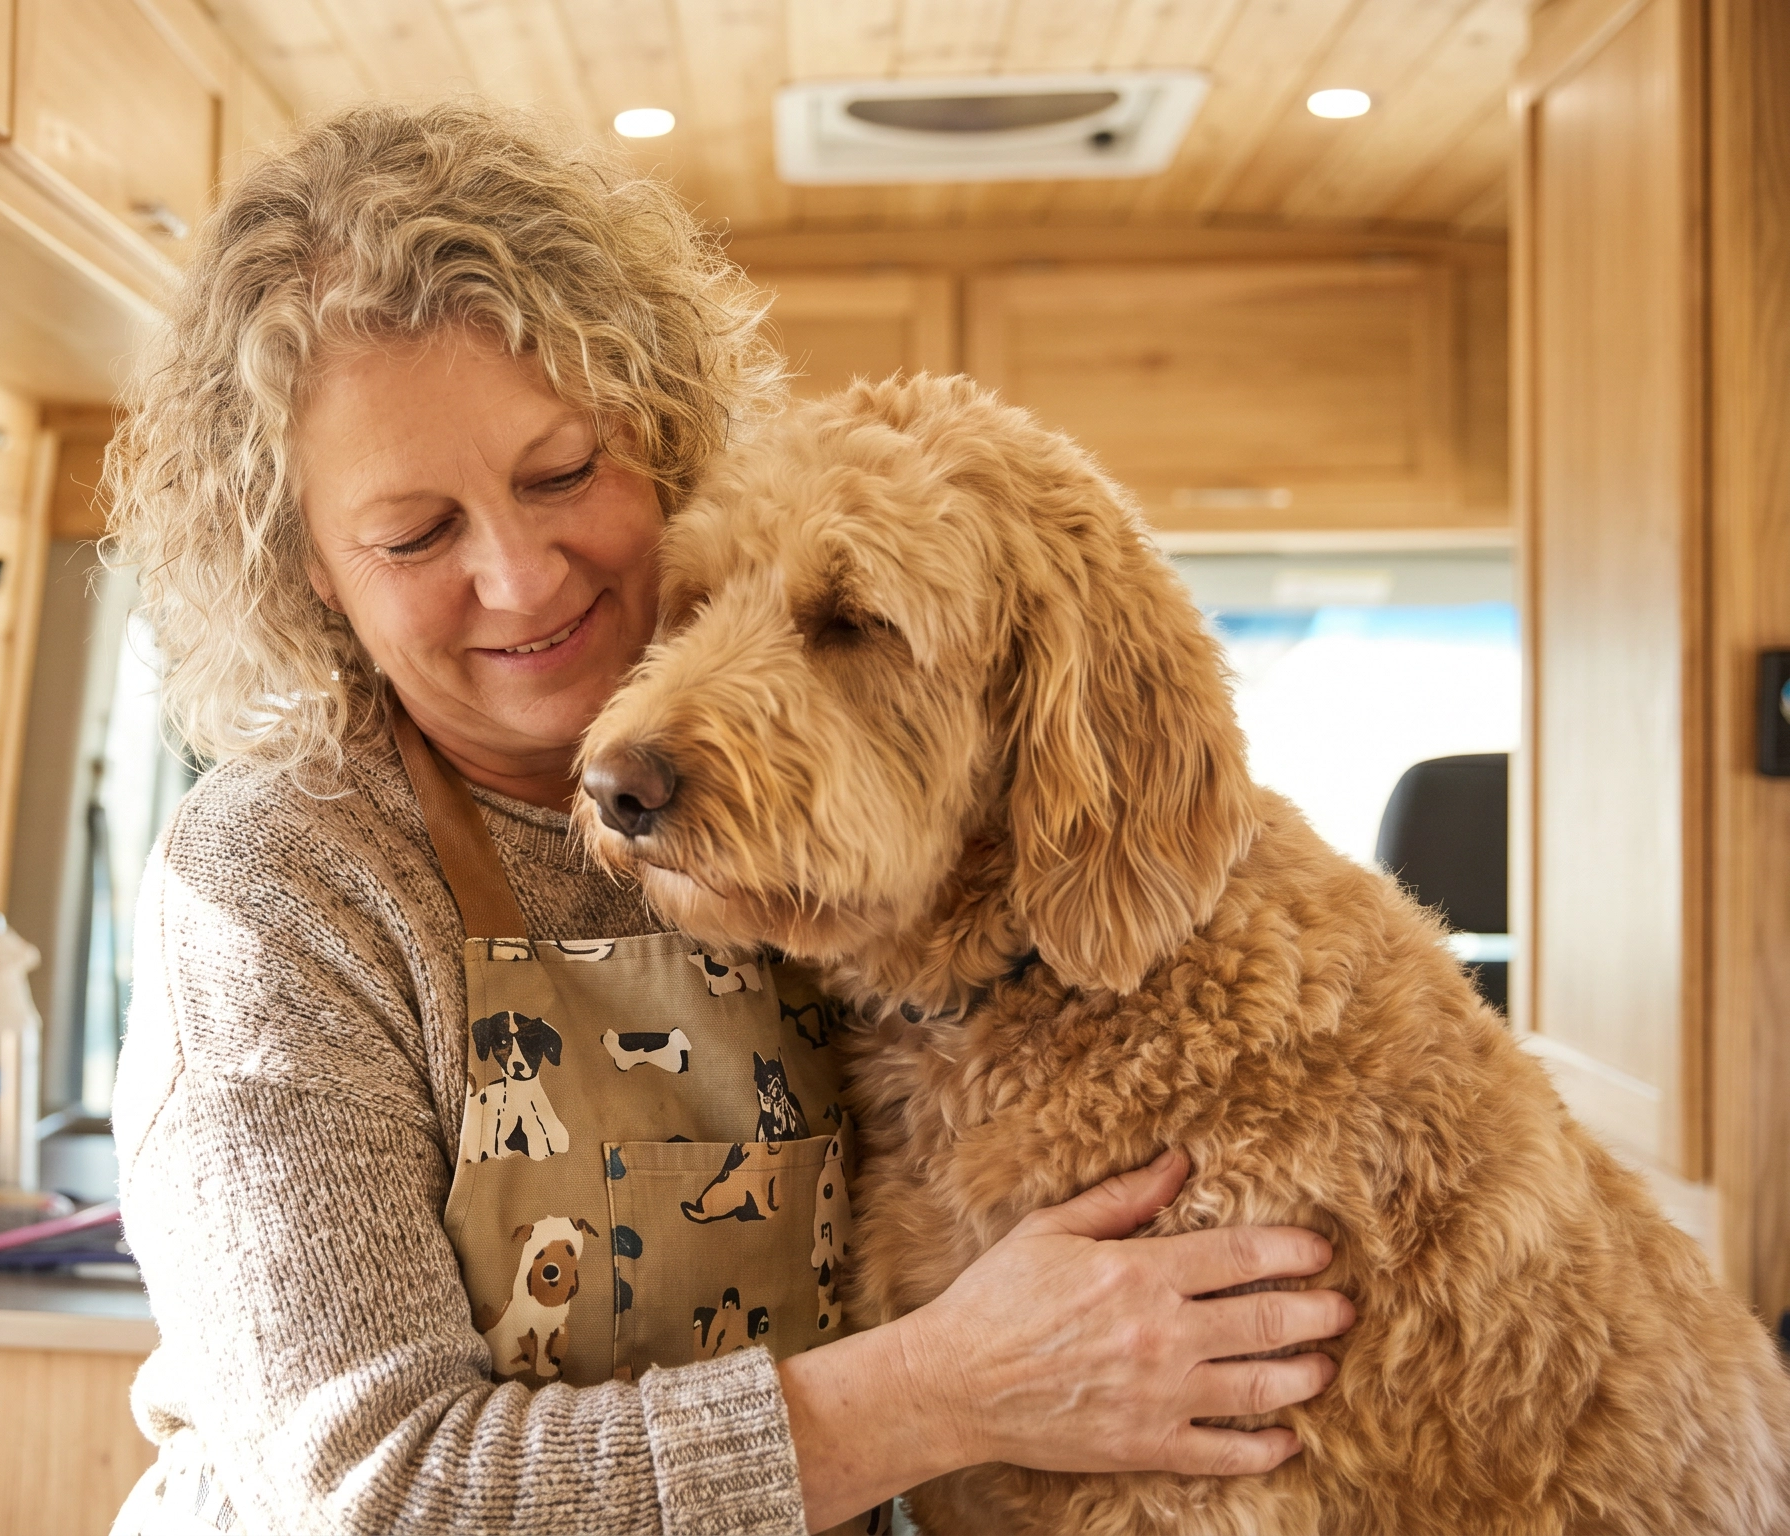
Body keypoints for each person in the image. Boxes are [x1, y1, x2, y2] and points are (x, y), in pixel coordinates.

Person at [103, 99, 1354, 1536]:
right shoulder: (274, 886)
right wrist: (952, 1387)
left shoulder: (861, 841)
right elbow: (380, 1499)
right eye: (417, 534)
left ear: (662, 437)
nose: (520, 578)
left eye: (562, 471)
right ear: (315, 572)